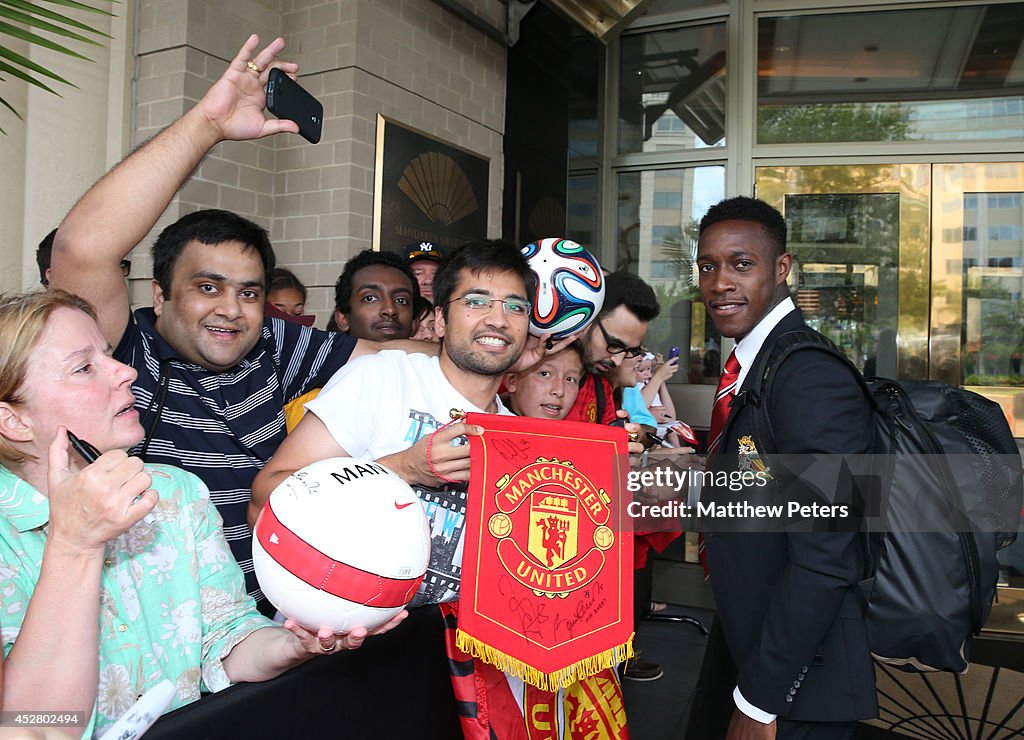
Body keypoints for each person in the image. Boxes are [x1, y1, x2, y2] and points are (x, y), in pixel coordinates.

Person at [47, 35, 432, 614]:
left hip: (276, 623)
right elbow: (80, 249)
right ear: (159, 294)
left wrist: (512, 342)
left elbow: (402, 357)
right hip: (166, 632)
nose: (231, 308)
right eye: (207, 287)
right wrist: (207, 125)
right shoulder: (126, 351)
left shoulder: (277, 344)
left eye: (249, 292)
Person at [0, 291, 404, 737]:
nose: (127, 371)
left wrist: (296, 644)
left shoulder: (175, 492)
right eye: (83, 368)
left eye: (109, 354)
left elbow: (225, 636)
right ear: (14, 421)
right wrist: (75, 546)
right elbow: (33, 725)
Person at [696, 196, 877, 739]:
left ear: (782, 268)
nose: (720, 282)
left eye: (741, 264)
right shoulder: (758, 363)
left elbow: (827, 553)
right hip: (748, 644)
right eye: (708, 266)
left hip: (795, 681)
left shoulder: (806, 375)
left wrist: (759, 701)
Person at [564, 271, 660, 424]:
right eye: (614, 345)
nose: (617, 361)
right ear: (586, 319)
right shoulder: (531, 373)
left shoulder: (601, 390)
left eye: (630, 351)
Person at [332, 249, 418, 341]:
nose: (390, 310)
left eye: (401, 300)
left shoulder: (431, 354)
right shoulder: (322, 353)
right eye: (370, 298)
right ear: (343, 319)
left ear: (414, 323)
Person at [502, 343, 583, 419]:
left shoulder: (578, 431)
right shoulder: (493, 426)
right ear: (512, 381)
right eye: (545, 374)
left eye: (570, 379)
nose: (559, 391)